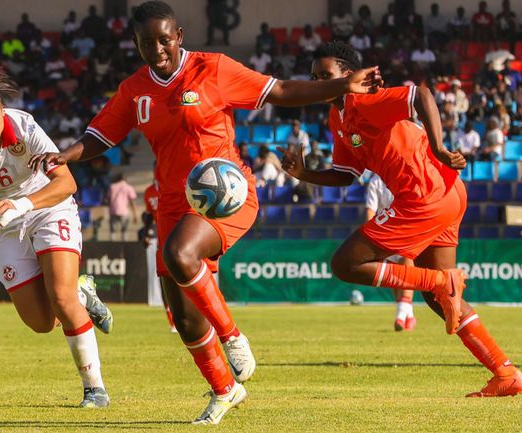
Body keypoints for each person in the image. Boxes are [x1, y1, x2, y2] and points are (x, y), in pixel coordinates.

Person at [28, 1, 382, 424]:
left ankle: (233, 337)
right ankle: (225, 389)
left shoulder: (213, 68)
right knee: (184, 317)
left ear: (178, 36)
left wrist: (341, 86)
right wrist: (64, 155)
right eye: (146, 42)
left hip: (226, 195)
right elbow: (101, 135)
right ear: (136, 44)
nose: (157, 49)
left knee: (181, 254)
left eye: (164, 39)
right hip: (172, 203)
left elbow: (281, 91)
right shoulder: (135, 89)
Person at [279, 41, 522, 398]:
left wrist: (440, 147)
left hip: (424, 197)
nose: (318, 82)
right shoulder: (338, 117)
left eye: (326, 75)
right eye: (314, 77)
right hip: (445, 193)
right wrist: (304, 174)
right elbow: (347, 174)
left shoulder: (365, 101)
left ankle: (442, 282)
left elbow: (421, 95)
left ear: (348, 75)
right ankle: (505, 373)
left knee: (346, 264)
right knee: (437, 298)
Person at [0, 66, 114, 409]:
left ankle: (94, 389)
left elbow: (67, 183)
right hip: (1, 224)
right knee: (40, 322)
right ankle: (82, 292)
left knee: (61, 297)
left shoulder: (26, 128)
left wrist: (21, 204)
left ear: (2, 110)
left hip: (47, 207)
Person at [365, 173, 417, 331]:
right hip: (386, 234)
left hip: (407, 230)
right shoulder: (375, 182)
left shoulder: (406, 176)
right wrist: (372, 236)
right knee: (395, 277)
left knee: (407, 267)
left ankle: (400, 316)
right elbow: (370, 211)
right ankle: (408, 314)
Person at [144, 180, 177, 333]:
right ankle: (172, 321)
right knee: (164, 278)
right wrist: (147, 233)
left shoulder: (173, 184)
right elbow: (149, 216)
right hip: (161, 239)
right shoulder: (149, 192)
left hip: (179, 236)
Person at [107, 172, 138, 241]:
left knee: (113, 231)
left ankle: (112, 244)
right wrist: (135, 214)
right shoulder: (129, 187)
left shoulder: (112, 187)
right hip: (124, 211)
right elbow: (132, 202)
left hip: (113, 210)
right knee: (124, 231)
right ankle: (124, 244)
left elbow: (108, 199)